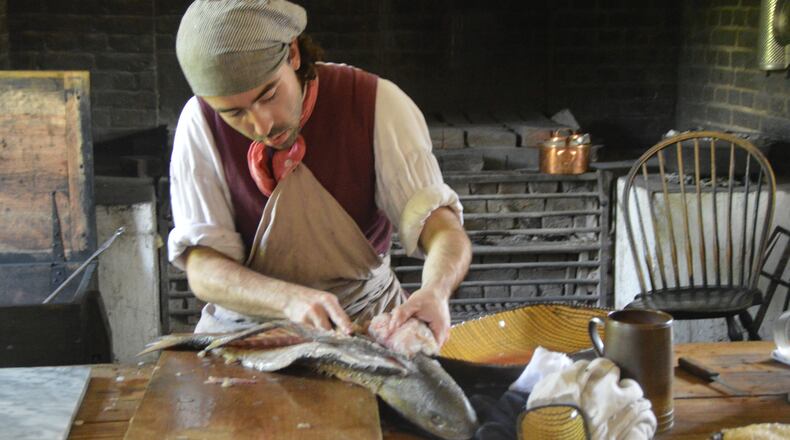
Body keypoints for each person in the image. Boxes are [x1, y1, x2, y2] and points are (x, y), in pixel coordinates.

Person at [168, 0, 471, 347]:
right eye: (234, 113)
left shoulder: (376, 103)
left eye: (269, 94)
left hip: (365, 320)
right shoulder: (200, 124)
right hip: (247, 327)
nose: (261, 124)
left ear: (293, 54)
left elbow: (444, 228)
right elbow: (204, 269)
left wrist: (436, 291)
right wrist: (288, 300)